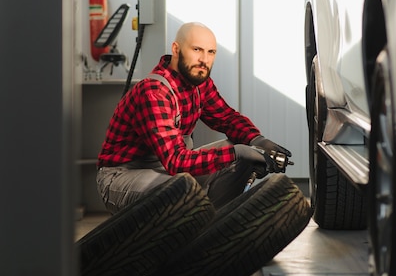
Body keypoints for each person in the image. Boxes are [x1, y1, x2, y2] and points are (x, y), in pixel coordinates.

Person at [96, 22, 291, 213]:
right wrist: (239, 151)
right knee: (183, 188)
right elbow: (176, 161)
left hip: (170, 173)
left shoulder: (199, 84)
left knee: (237, 149)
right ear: (176, 49)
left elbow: (227, 118)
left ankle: (215, 226)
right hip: (123, 177)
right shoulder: (154, 92)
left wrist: (258, 141)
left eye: (211, 52)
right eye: (197, 49)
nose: (204, 59)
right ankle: (197, 225)